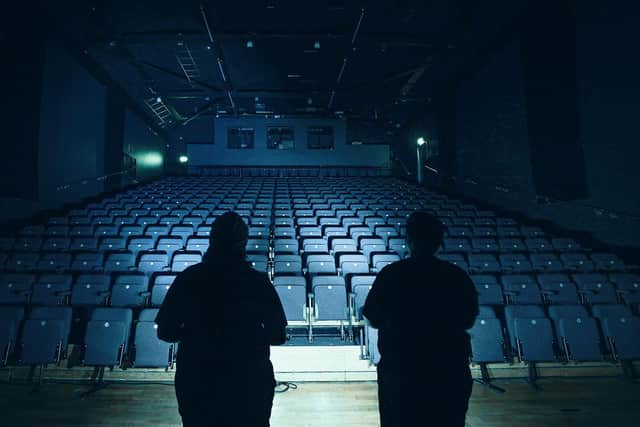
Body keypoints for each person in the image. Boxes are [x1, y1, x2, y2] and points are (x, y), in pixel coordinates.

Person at [155, 212, 287, 427]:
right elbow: (278, 336)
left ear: (211, 240)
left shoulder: (188, 278)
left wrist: (196, 334)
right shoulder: (258, 282)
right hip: (248, 381)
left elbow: (165, 332)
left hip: (198, 378)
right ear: (243, 243)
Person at [363, 211, 479, 427]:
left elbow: (372, 317)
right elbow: (468, 320)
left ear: (409, 239)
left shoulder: (391, 274)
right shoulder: (456, 276)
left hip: (401, 371)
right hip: (448, 369)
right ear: (439, 241)